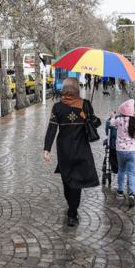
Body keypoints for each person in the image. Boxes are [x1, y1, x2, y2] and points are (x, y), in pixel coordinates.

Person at [43, 78, 101, 227]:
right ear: (77, 89)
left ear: (64, 89)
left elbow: (52, 128)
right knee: (76, 182)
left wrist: (47, 149)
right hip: (81, 149)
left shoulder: (58, 107)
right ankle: (72, 212)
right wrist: (89, 117)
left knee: (67, 180)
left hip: (64, 150)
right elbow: (96, 123)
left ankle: (72, 210)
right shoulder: (85, 105)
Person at [109, 99, 135, 207]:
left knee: (121, 170)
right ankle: (132, 193)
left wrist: (112, 115)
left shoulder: (119, 120)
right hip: (132, 151)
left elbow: (111, 123)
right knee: (131, 172)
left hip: (120, 151)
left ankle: (120, 191)